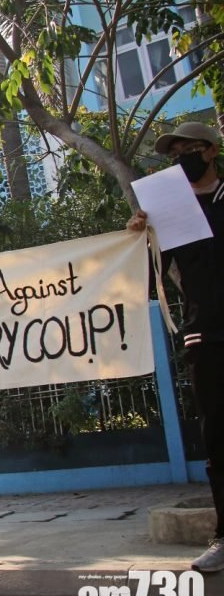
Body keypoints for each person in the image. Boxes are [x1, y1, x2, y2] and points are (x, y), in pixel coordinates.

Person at [127, 121, 223, 573]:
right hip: (205, 335)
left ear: (210, 152)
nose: (180, 158)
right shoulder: (167, 213)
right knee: (218, 441)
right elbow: (151, 282)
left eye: (188, 150)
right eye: (173, 154)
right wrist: (139, 240)